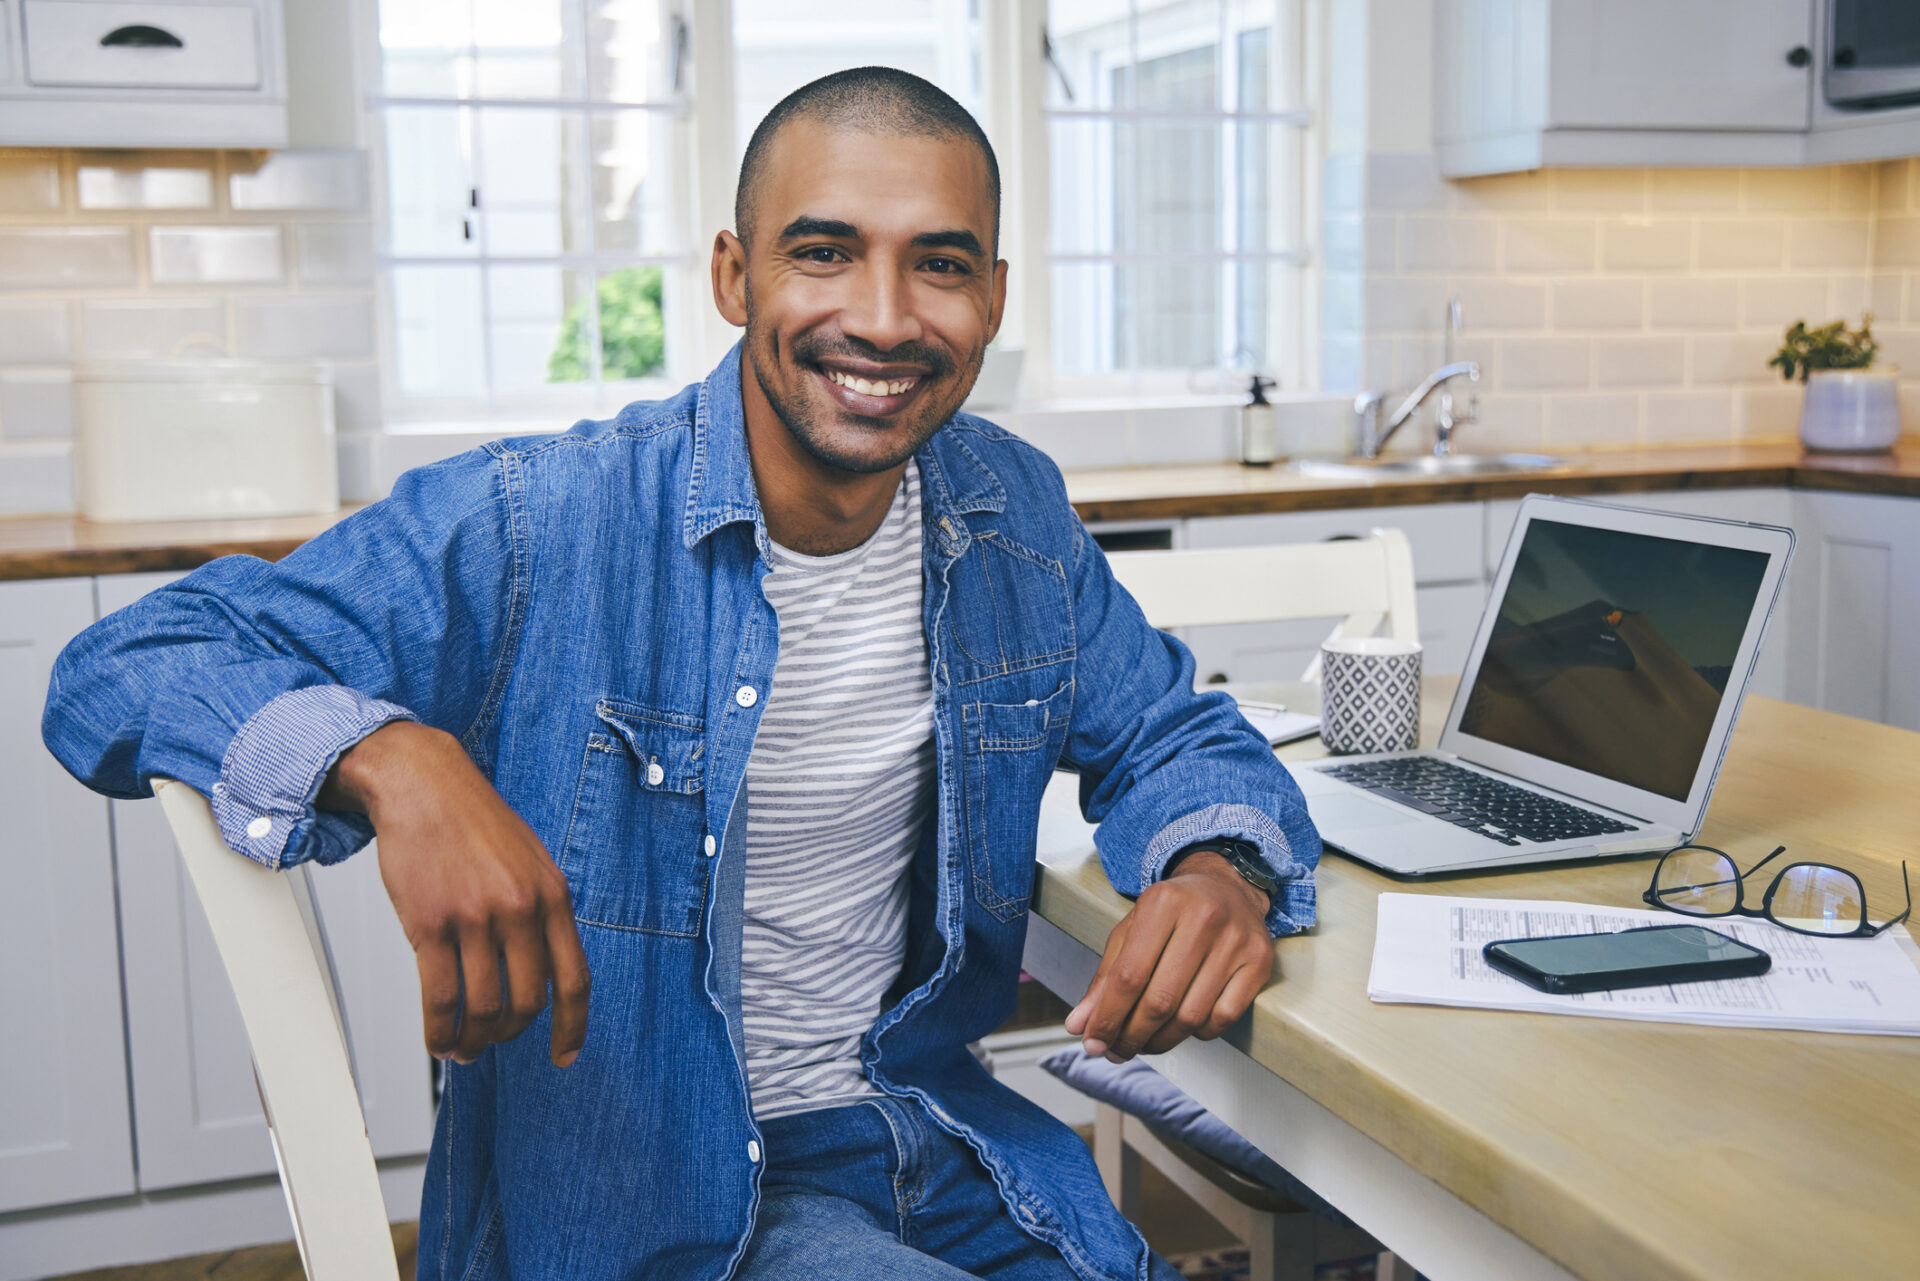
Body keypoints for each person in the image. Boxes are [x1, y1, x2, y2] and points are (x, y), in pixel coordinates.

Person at [43, 66, 1318, 1281]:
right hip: (656, 1211)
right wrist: (397, 758)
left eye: (935, 264)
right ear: (732, 274)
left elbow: (1169, 731)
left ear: (990, 295)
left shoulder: (1008, 510)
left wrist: (1217, 863)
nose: (882, 317)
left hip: (943, 1142)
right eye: (823, 251)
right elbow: (125, 662)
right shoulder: (545, 519)